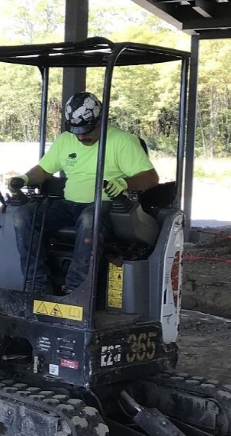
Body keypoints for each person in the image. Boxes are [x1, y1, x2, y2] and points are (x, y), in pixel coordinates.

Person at [9, 91, 158, 293]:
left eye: (86, 130)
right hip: (69, 205)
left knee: (89, 220)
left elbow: (150, 177)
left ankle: (76, 289)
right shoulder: (65, 140)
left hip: (106, 207)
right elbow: (44, 169)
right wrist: (24, 178)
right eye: (76, 131)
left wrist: (124, 183)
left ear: (100, 121)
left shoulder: (122, 141)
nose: (80, 136)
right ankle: (36, 284)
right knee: (23, 216)